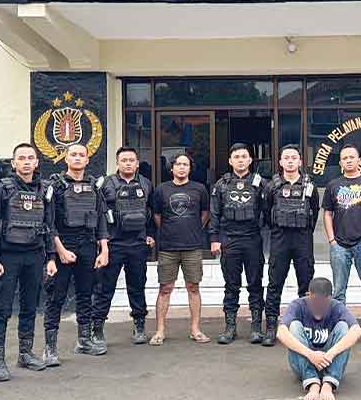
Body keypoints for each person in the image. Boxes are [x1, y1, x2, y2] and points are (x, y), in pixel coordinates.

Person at [0, 143, 54, 381]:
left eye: (30, 158)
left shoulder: (45, 190)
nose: (26, 162)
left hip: (35, 255)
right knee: (2, 309)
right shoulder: (0, 190)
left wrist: (51, 257)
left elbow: (49, 225)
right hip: (7, 256)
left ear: (36, 163)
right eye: (21, 158)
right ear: (13, 164)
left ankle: (25, 353)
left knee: (30, 306)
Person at [42, 144, 109, 365]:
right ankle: (50, 348)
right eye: (73, 155)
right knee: (56, 297)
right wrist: (59, 250)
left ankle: (84, 341)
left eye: (82, 155)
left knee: (85, 294)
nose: (78, 158)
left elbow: (101, 219)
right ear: (66, 159)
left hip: (88, 246)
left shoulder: (94, 186)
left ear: (88, 160)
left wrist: (104, 249)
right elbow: (49, 222)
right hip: (63, 245)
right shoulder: (56, 186)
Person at [322, 144, 361, 348]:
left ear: (359, 160)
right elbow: (327, 214)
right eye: (345, 158)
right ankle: (340, 330)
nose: (348, 160)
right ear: (340, 162)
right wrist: (332, 240)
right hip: (340, 245)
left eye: (352, 157)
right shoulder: (333, 185)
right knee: (339, 292)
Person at [96, 146, 154, 346]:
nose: (128, 163)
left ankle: (139, 325)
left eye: (131, 160)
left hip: (137, 243)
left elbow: (151, 211)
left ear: (137, 163)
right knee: (104, 288)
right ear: (117, 163)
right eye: (124, 160)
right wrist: (101, 242)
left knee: (137, 286)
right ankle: (97, 328)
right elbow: (98, 214)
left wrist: (150, 235)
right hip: (114, 243)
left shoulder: (146, 183)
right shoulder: (105, 183)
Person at [262, 144, 319, 347]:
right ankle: (271, 327)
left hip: (303, 239)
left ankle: (306, 326)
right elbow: (266, 212)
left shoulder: (309, 185)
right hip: (280, 239)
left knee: (306, 284)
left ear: (300, 161)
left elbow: (314, 212)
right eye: (286, 158)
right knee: (275, 283)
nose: (290, 161)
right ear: (280, 162)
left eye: (294, 158)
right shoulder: (272, 186)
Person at [210, 143, 267, 345]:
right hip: (230, 239)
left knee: (255, 284)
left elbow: (267, 210)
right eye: (237, 157)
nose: (240, 160)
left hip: (252, 239)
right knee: (231, 286)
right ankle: (230, 328)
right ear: (230, 161)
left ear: (250, 160)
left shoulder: (260, 183)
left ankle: (256, 328)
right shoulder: (222, 184)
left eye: (244, 156)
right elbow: (214, 213)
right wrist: (214, 239)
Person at [151, 153, 211, 345]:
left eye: (185, 164)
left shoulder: (199, 189)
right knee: (165, 288)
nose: (182, 167)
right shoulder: (161, 189)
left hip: (192, 246)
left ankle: (195, 329)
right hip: (168, 247)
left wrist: (194, 229)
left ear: (190, 168)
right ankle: (160, 330)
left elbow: (205, 213)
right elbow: (157, 216)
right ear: (172, 168)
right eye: (178, 164)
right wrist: (169, 230)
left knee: (193, 287)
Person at [276, 277, 361, 400]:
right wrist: (310, 355)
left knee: (344, 327)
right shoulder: (298, 305)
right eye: (314, 301)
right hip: (303, 363)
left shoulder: (336, 306)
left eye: (322, 302)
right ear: (308, 295)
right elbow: (281, 332)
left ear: (329, 298)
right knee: (294, 326)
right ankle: (313, 383)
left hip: (329, 362)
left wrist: (330, 354)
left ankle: (328, 384)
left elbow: (357, 331)